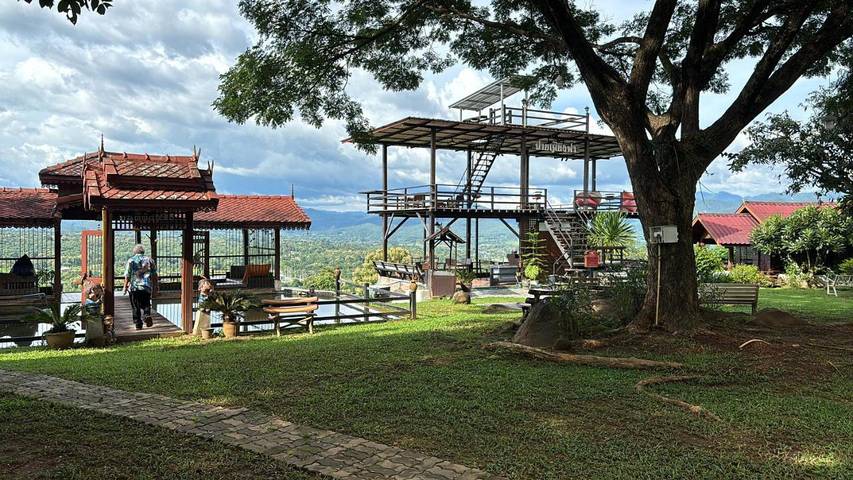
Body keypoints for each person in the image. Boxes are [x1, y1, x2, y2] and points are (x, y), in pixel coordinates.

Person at [123, 244, 157, 330]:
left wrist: (125, 287)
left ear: (134, 252)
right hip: (146, 286)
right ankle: (146, 315)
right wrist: (156, 285)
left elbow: (127, 275)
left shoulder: (131, 260)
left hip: (134, 287)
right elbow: (154, 274)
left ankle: (138, 323)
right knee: (146, 303)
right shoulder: (150, 260)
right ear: (143, 251)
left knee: (135, 306)